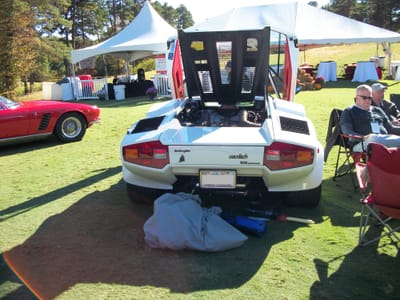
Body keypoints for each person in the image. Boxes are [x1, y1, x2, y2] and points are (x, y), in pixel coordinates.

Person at [340, 84, 400, 152]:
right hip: (362, 144)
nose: (368, 100)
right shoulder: (349, 111)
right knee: (373, 138)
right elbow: (347, 131)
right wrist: (364, 137)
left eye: (370, 98)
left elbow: (391, 128)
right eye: (364, 98)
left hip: (383, 141)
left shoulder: (377, 110)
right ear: (357, 97)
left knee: (376, 138)